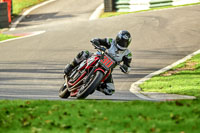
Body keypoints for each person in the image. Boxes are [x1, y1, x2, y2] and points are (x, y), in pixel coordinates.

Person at [64, 30, 132, 95]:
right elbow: (98, 40)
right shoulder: (111, 41)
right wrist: (96, 42)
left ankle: (94, 84)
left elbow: (128, 67)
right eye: (121, 41)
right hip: (98, 56)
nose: (122, 44)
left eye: (125, 43)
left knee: (110, 90)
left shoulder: (127, 54)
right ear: (117, 39)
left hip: (108, 69)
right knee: (84, 53)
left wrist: (125, 68)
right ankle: (70, 66)